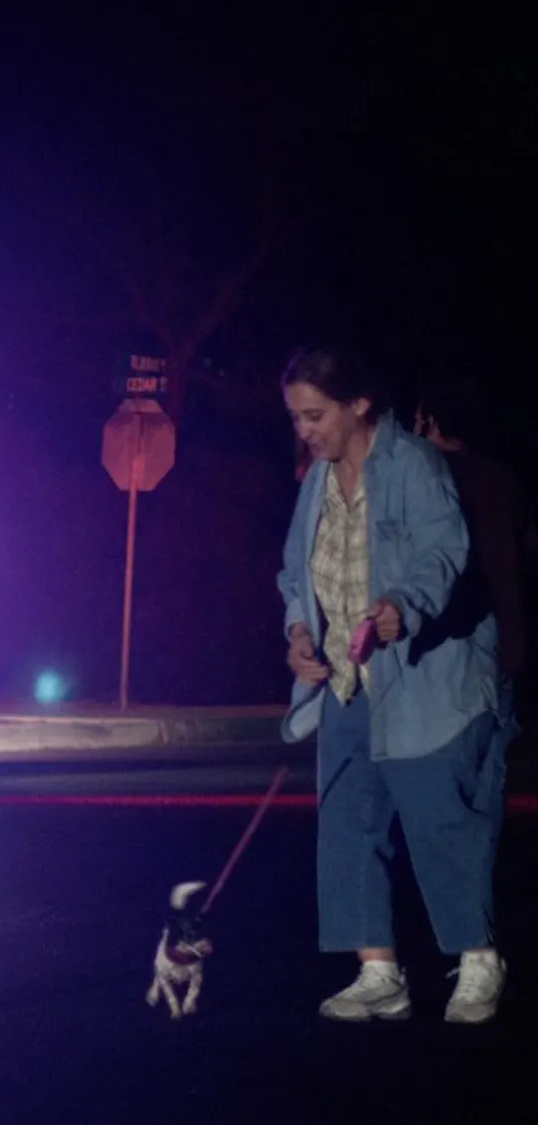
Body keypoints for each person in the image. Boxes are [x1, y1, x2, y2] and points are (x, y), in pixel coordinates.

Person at [277, 347, 507, 1024]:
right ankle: (378, 971)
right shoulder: (315, 481)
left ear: (358, 405)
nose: (305, 430)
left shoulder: (415, 465)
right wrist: (299, 634)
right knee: (350, 820)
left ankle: (478, 959)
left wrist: (400, 607)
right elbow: (296, 570)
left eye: (315, 415)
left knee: (441, 819)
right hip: (347, 679)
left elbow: (444, 551)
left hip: (420, 675)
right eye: (295, 418)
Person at [414, 379, 534, 723]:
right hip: (508, 636)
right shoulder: (502, 478)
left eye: (418, 419)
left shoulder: (426, 477)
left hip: (453, 641)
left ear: (431, 421)